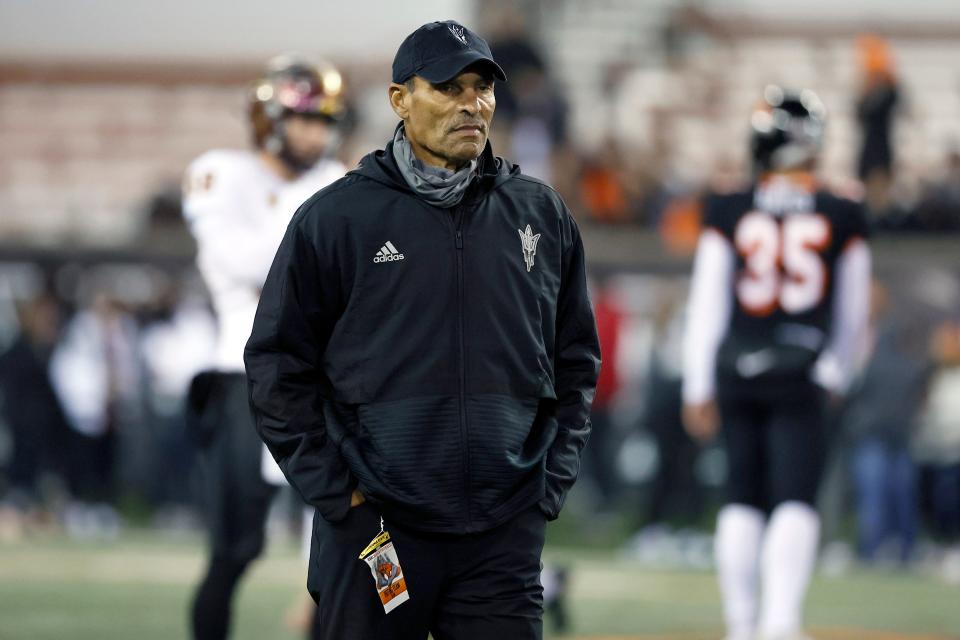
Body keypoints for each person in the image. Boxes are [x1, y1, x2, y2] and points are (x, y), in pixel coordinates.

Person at [244, 20, 600, 640]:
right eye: (448, 87)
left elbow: (575, 362)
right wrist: (340, 500)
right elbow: (277, 367)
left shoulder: (541, 214)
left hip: (502, 533)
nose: (472, 103)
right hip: (378, 531)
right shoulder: (336, 218)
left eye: (482, 87)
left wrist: (546, 488)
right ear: (399, 100)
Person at [682, 86, 872, 640]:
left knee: (741, 497)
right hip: (801, 367)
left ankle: (743, 625)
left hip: (737, 366)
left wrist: (699, 383)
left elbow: (708, 301)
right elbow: (853, 312)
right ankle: (780, 623)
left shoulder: (730, 203)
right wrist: (837, 370)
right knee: (794, 497)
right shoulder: (842, 208)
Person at [182, 54, 347, 640]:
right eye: (304, 119)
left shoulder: (335, 183)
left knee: (340, 552)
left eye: (325, 121)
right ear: (267, 118)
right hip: (242, 378)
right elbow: (247, 261)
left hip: (322, 381)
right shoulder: (220, 172)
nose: (316, 133)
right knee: (234, 549)